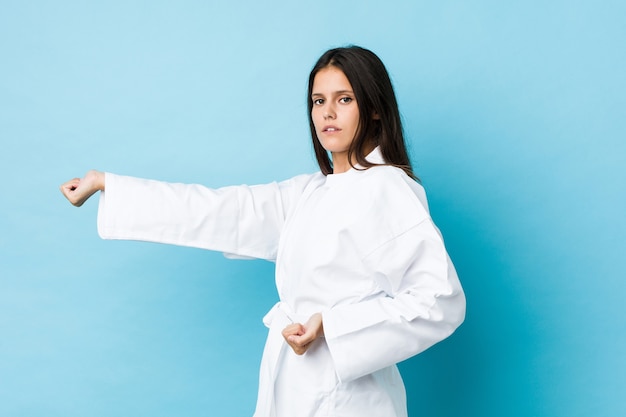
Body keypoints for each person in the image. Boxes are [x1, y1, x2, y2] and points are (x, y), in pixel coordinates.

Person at [60, 45, 466, 417]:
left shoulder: (385, 188)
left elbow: (439, 300)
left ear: (374, 109)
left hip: (352, 399)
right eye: (318, 101)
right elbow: (220, 209)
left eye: (344, 99)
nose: (328, 113)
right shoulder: (311, 192)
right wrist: (109, 184)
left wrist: (333, 325)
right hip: (294, 387)